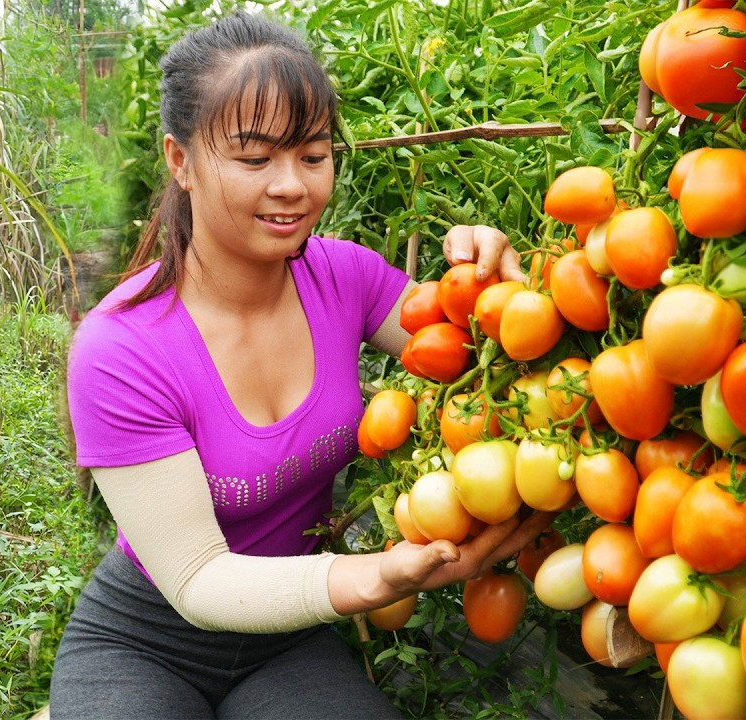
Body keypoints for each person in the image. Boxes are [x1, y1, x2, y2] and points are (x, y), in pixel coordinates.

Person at [53, 13, 551, 719]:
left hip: (284, 639)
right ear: (180, 160)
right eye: (254, 160)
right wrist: (378, 575)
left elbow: (481, 357)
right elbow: (198, 580)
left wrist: (496, 282)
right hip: (150, 637)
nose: (292, 186)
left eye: (313, 156)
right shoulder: (122, 349)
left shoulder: (345, 278)